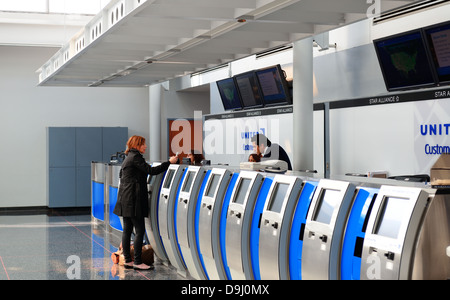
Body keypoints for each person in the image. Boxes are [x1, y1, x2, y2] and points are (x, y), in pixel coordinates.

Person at [113, 135, 178, 270]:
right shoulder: (136, 158)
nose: (145, 146)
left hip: (125, 199)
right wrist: (169, 162)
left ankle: (128, 261)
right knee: (140, 230)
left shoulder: (128, 157)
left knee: (127, 230)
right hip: (133, 200)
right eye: (143, 144)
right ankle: (137, 262)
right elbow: (151, 171)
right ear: (137, 145)